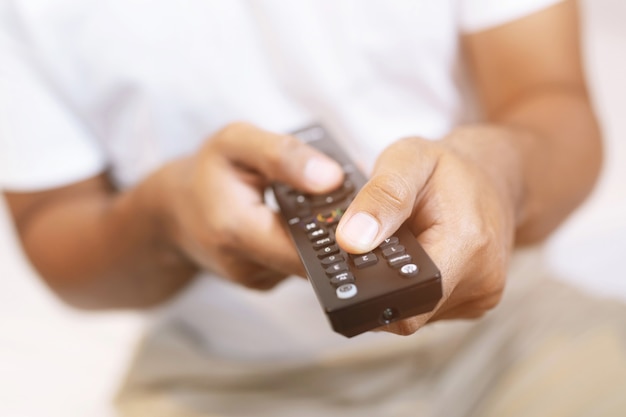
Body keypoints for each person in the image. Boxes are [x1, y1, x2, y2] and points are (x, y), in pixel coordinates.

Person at [2, 0, 625, 415]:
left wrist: (504, 174)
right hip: (225, 378)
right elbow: (54, 232)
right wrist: (165, 215)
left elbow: (553, 97)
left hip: (514, 330)